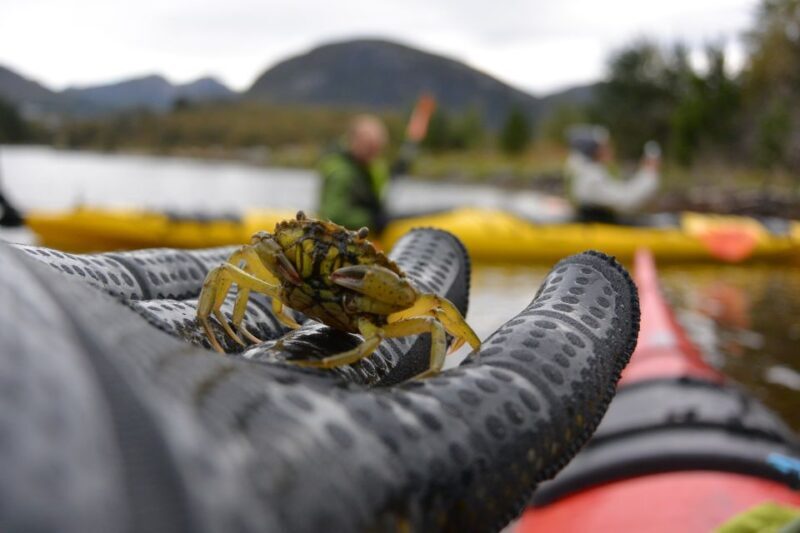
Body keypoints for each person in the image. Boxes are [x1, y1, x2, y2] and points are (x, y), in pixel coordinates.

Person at [317, 97, 433, 234]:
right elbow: (334, 216)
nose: (374, 155)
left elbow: (381, 181)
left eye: (377, 150)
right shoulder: (340, 173)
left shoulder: (371, 165)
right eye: (370, 149)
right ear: (354, 141)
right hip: (352, 230)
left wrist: (398, 169)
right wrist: (371, 219)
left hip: (373, 222)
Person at [565, 125, 660, 223]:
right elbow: (627, 201)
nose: (611, 148)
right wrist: (650, 172)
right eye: (605, 146)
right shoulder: (591, 178)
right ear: (595, 151)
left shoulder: (588, 173)